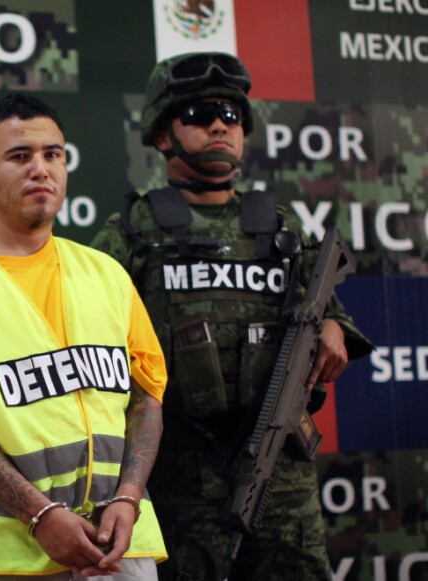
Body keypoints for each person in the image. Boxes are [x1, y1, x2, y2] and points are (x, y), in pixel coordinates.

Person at [90, 52, 373, 580]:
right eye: (198, 115)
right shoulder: (132, 230)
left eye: (231, 114)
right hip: (178, 471)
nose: (221, 124)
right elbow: (86, 338)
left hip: (281, 475)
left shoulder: (278, 224)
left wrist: (336, 329)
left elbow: (328, 311)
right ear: (160, 134)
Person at [0, 93, 168, 580]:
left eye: (53, 154)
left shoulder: (106, 272)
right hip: (4, 553)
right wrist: (40, 515)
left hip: (119, 542)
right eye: (19, 157)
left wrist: (128, 498)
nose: (40, 168)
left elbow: (147, 395)